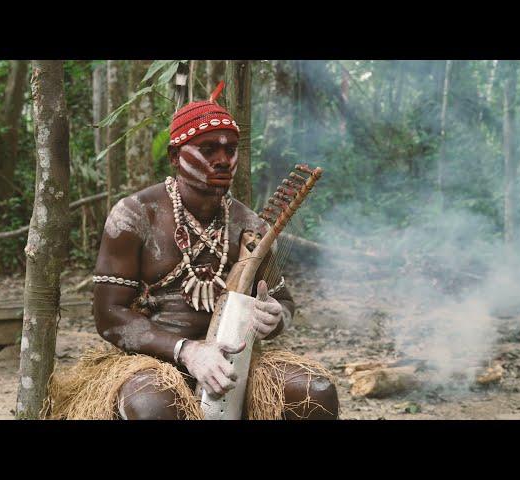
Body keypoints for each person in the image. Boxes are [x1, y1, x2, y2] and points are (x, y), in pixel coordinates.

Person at [46, 83, 339, 420]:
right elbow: (108, 315)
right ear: (175, 156)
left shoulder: (249, 225)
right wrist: (188, 352)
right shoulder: (135, 215)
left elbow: (283, 303)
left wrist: (273, 316)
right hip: (151, 363)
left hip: (234, 364)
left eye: (230, 150)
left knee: (314, 393)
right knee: (155, 405)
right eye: (207, 148)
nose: (221, 160)